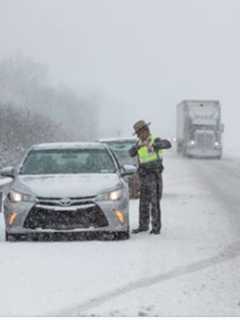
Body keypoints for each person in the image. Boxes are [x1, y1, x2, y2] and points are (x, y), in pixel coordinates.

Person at [129, 120, 172, 235]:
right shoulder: (139, 143)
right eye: (137, 134)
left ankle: (156, 227)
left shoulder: (155, 140)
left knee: (154, 202)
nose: (138, 135)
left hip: (154, 175)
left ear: (145, 131)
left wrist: (154, 145)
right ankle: (143, 225)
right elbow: (130, 152)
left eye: (139, 133)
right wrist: (138, 146)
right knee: (143, 202)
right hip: (143, 175)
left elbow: (167, 144)